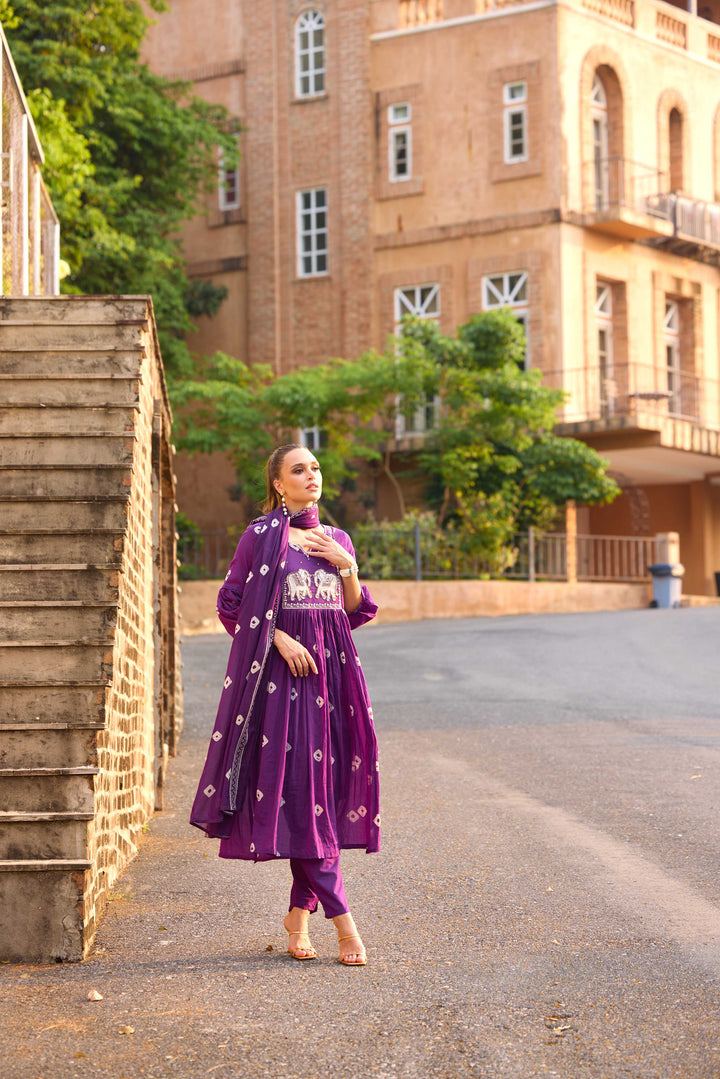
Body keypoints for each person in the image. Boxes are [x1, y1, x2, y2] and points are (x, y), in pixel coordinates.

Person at [190, 444, 380, 966]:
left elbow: (352, 609)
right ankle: (345, 925)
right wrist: (275, 637)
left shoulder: (337, 539)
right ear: (278, 483)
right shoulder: (261, 537)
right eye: (299, 469)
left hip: (335, 684)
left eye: (316, 466)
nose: (311, 474)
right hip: (280, 686)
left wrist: (347, 567)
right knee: (300, 792)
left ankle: (299, 916)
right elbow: (231, 604)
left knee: (320, 795)